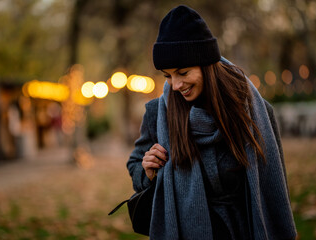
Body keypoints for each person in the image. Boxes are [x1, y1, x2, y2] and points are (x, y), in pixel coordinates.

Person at [126, 5, 297, 240]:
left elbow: (277, 185)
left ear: (206, 65)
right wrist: (147, 171)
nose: (175, 85)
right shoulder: (158, 113)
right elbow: (135, 164)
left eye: (183, 73)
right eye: (168, 75)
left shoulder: (254, 111)